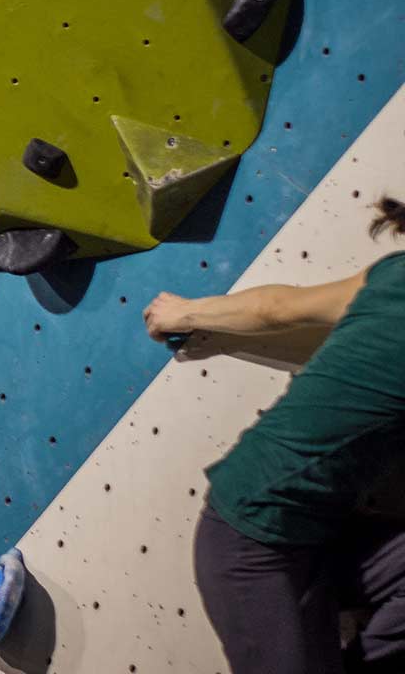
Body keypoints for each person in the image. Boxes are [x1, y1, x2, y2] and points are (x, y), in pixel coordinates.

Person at [143, 197, 405, 673]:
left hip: (320, 537)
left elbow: (279, 308)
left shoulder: (395, 273)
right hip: (251, 542)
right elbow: (278, 309)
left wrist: (186, 314)